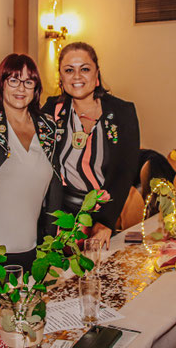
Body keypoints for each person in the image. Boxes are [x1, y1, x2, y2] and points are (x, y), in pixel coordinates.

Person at [42, 42, 140, 249]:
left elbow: (125, 171)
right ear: (61, 77)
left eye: (85, 69)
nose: (77, 76)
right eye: (69, 70)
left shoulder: (123, 112)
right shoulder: (52, 110)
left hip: (104, 216)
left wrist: (105, 222)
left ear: (97, 74)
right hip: (60, 217)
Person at [0, 54, 61, 270]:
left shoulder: (47, 126)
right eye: (13, 80)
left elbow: (55, 186)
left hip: (33, 250)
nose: (21, 88)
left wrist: (51, 242)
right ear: (1, 83)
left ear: (35, 87)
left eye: (28, 82)